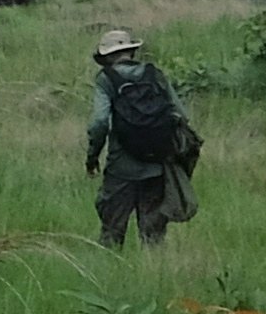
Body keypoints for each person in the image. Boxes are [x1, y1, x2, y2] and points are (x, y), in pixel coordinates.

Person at [85, 27, 200, 247]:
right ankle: (155, 275)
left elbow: (99, 123)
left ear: (107, 56)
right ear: (131, 52)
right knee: (154, 235)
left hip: (121, 167)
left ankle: (108, 275)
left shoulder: (105, 80)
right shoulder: (154, 74)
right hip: (157, 165)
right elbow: (181, 116)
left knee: (111, 231)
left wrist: (92, 157)